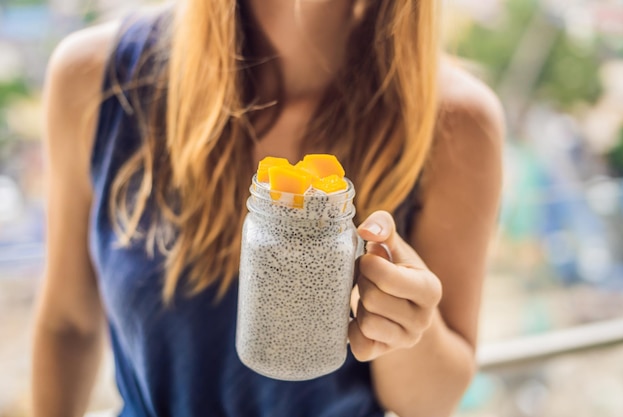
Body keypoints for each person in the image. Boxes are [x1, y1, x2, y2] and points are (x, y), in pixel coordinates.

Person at [32, 0, 503, 416]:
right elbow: (67, 323)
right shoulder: (93, 77)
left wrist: (401, 324)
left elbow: (433, 403)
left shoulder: (459, 124)